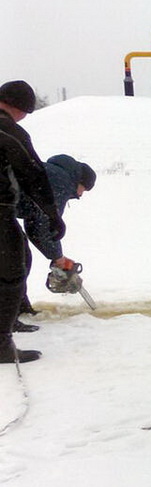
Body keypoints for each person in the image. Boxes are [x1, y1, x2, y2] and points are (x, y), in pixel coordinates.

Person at [0, 80, 63, 363]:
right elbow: (33, 174)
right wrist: (52, 214)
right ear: (19, 107)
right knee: (14, 268)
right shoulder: (8, 131)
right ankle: (1, 344)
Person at [16, 153, 96, 326]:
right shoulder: (61, 182)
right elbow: (44, 226)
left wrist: (56, 256)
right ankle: (10, 314)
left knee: (19, 255)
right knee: (15, 259)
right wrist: (59, 258)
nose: (81, 195)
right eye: (84, 190)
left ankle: (18, 309)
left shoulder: (53, 174)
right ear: (80, 182)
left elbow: (34, 223)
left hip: (5, 210)